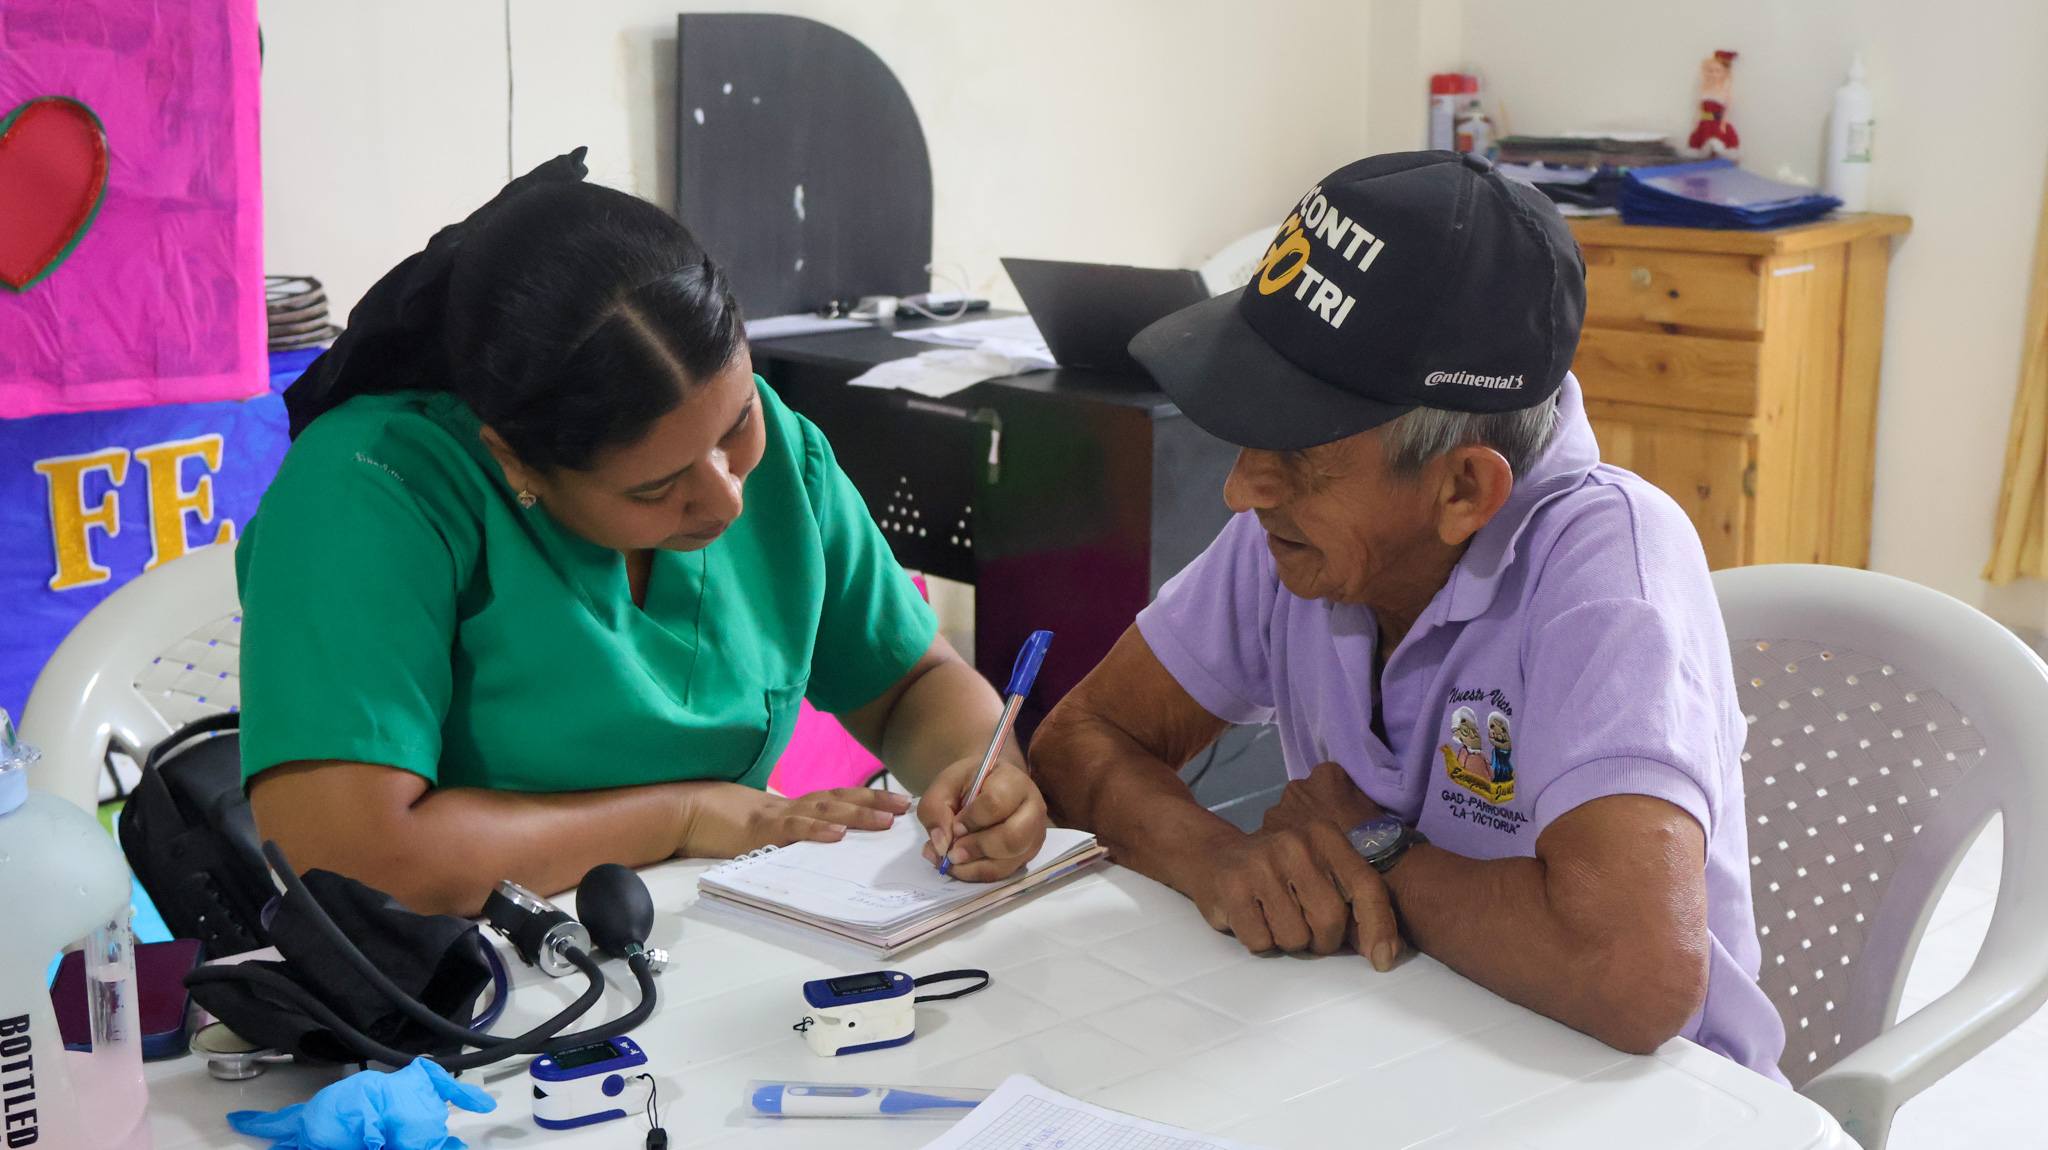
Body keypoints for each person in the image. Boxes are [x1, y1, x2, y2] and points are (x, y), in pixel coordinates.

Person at [1031, 152, 1786, 1078]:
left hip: (1638, 1101)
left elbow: (1633, 980)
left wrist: (1373, 845)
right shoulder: (1300, 536)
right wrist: (1216, 857)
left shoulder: (1608, 574)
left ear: (1464, 490)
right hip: (1396, 1045)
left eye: (1298, 447)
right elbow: (1081, 740)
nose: (1242, 488)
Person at [236, 150, 1046, 916]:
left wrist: (978, 778)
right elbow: (349, 855)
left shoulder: (780, 460)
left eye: (738, 425)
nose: (726, 500)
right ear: (516, 463)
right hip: (474, 970)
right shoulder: (373, 487)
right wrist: (684, 816)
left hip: (724, 936)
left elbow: (909, 685)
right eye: (656, 488)